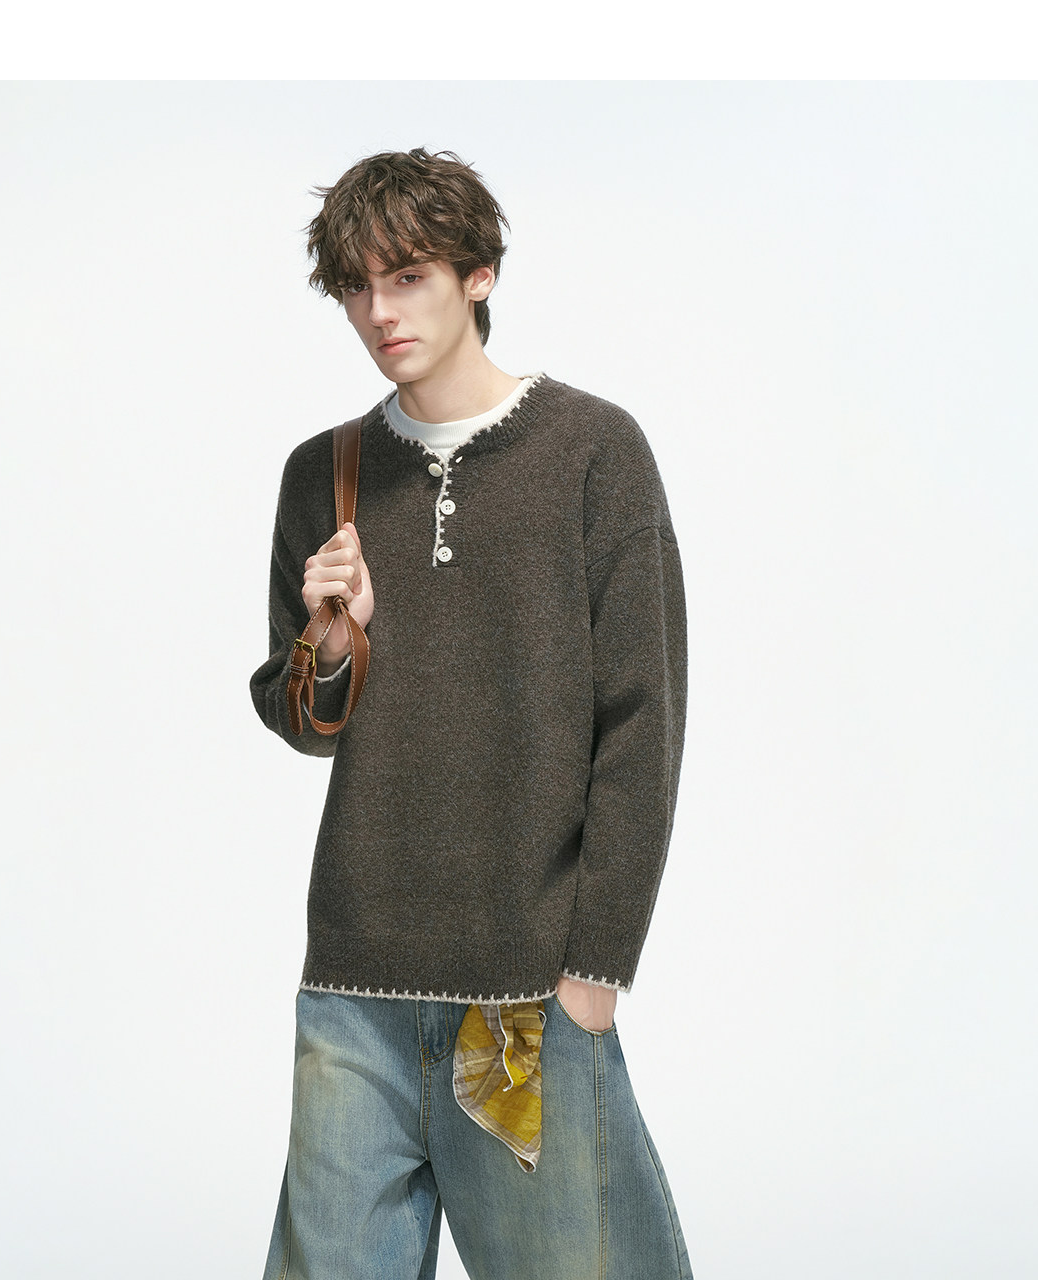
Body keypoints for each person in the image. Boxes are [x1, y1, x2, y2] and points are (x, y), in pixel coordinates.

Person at [249, 146, 692, 1279]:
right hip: (353, 985)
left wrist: (594, 972)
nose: (379, 312)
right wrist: (331, 643)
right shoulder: (325, 474)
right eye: (358, 286)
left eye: (408, 277)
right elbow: (300, 720)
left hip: (523, 992)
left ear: (478, 273)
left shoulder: (592, 451)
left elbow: (642, 724)